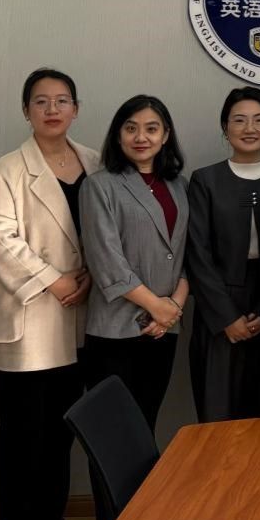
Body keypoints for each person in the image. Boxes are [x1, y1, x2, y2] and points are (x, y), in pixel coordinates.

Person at [0, 68, 98, 520]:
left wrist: (91, 275)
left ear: (76, 109)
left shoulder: (94, 161)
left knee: (61, 430)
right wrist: (53, 280)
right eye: (41, 101)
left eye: (62, 100)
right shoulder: (9, 168)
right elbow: (1, 237)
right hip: (31, 314)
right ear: (26, 110)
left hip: (80, 313)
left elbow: (106, 229)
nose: (52, 110)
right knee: (22, 433)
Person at [80, 94, 189, 437]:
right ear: (118, 135)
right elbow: (106, 260)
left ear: (165, 135)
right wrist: (157, 306)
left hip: (163, 329)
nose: (141, 137)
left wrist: (173, 307)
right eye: (131, 128)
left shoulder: (179, 186)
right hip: (115, 331)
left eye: (151, 129)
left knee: (145, 427)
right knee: (113, 436)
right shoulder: (99, 185)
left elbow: (187, 255)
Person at [185, 87, 260, 423]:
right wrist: (226, 317)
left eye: (259, 120)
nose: (249, 128)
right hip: (218, 304)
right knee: (218, 411)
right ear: (225, 127)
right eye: (239, 120)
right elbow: (197, 252)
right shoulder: (205, 180)